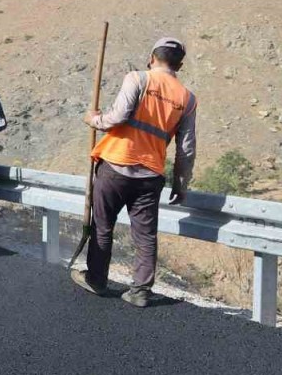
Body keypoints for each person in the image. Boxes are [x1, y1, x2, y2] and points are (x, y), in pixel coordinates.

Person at [73, 37, 197, 308]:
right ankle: (140, 291)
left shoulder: (137, 79)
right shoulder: (187, 98)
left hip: (116, 166)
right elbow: (186, 149)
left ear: (152, 57)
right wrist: (181, 183)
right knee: (145, 235)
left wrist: (93, 119)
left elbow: (116, 118)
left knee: (103, 227)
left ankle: (96, 280)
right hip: (150, 176)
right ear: (180, 65)